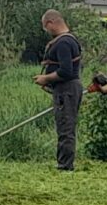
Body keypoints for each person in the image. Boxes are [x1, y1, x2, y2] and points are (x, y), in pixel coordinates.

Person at [32, 9, 83, 171]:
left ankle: (65, 166)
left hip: (67, 90)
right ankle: (64, 163)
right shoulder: (69, 40)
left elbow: (66, 71)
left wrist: (45, 78)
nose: (46, 31)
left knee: (65, 127)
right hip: (67, 89)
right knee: (64, 125)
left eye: (45, 27)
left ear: (50, 23)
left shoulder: (63, 43)